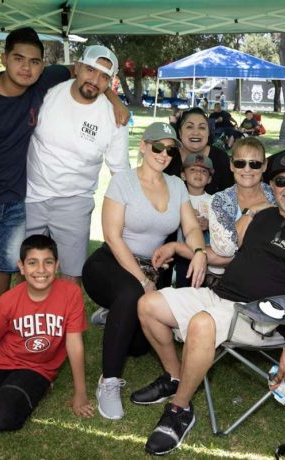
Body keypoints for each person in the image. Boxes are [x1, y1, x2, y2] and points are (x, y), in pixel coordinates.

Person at [132, 151, 285, 455]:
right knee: (148, 304)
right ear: (273, 185)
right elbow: (226, 257)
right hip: (221, 293)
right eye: (281, 181)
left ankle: (180, 409)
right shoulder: (264, 216)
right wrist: (182, 247)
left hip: (260, 315)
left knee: (203, 323)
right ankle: (176, 378)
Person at [0, 28, 129, 363]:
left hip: (27, 199)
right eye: (19, 59)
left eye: (34, 62)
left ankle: (11, 332)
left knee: (7, 268)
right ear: (4, 58)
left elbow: (84, 74)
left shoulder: (49, 82)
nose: (26, 68)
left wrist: (114, 99)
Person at [81, 122, 207, 421]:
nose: (164, 154)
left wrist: (199, 251)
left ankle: (113, 314)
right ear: (143, 146)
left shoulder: (176, 186)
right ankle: (108, 382)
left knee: (137, 346)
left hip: (152, 269)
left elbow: (189, 227)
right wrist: (141, 280)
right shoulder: (123, 181)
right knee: (130, 293)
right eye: (157, 147)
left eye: (170, 149)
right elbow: (111, 236)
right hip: (110, 263)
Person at [0, 234, 92, 433]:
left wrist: (80, 394)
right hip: (0, 362)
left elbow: (74, 344)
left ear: (57, 266)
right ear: (21, 267)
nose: (41, 270)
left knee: (4, 418)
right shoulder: (8, 300)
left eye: (48, 262)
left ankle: (28, 390)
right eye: (32, 263)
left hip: (37, 368)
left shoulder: (71, 294)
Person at [25, 45, 130, 286]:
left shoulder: (115, 119)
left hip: (75, 202)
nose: (95, 80)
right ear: (77, 67)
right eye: (90, 70)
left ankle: (64, 324)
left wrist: (122, 220)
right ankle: (28, 322)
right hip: (31, 195)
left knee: (71, 276)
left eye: (104, 76)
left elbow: (119, 173)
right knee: (29, 271)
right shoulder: (48, 93)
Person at [165, 107, 234, 195]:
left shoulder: (221, 159)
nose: (196, 132)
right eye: (189, 127)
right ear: (180, 133)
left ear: (208, 132)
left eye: (201, 127)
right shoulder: (168, 155)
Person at [175, 153, 214, 288]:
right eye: (193, 170)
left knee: (203, 287)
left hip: (208, 255)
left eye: (204, 171)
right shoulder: (178, 198)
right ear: (183, 175)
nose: (198, 174)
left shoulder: (214, 200)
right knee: (184, 286)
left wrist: (208, 224)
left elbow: (221, 227)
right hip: (183, 255)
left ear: (209, 179)